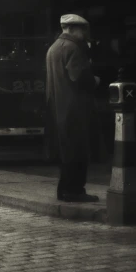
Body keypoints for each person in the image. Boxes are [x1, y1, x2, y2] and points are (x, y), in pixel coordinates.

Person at [46, 14, 101, 203]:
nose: (84, 34)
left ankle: (64, 190)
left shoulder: (53, 48)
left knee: (66, 151)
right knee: (78, 150)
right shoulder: (73, 48)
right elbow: (79, 78)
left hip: (59, 107)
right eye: (82, 30)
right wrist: (94, 80)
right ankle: (75, 190)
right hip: (75, 109)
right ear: (71, 29)